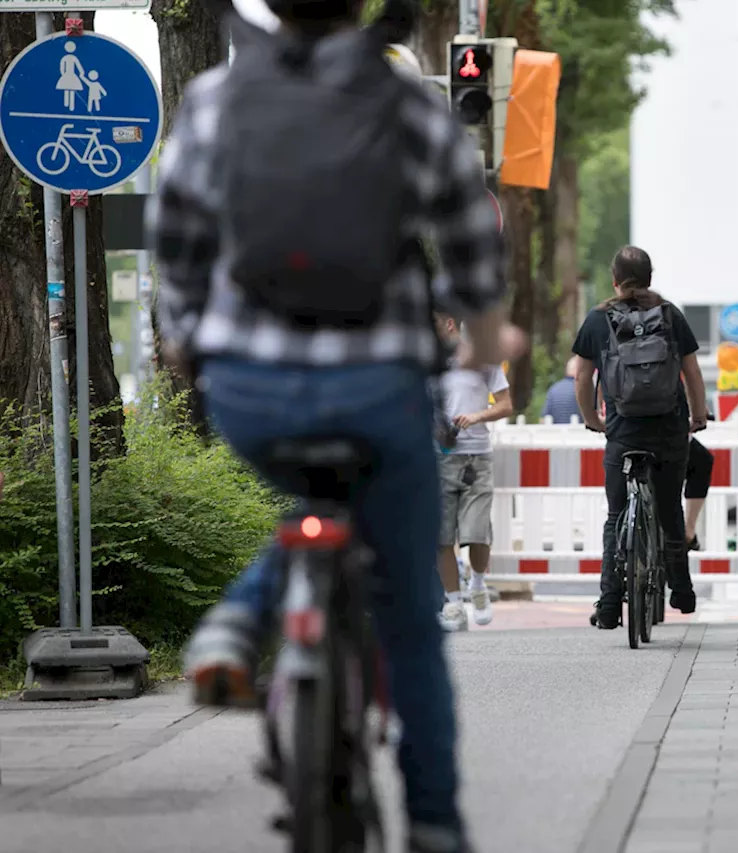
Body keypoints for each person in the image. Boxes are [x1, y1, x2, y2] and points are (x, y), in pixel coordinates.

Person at [148, 0, 517, 846]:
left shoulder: (212, 101)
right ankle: (433, 822)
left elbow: (177, 250)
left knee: (316, 503)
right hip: (377, 393)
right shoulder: (410, 106)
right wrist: (484, 345)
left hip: (252, 396)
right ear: (362, 8)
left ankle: (242, 618)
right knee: (408, 617)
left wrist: (191, 351)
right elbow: (471, 247)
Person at [571, 246, 708, 628]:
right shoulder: (669, 314)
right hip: (668, 430)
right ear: (650, 277)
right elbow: (692, 373)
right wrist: (697, 416)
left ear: (614, 279)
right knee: (669, 509)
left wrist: (593, 419)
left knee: (617, 516)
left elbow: (582, 378)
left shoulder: (599, 319)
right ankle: (681, 590)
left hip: (623, 430)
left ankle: (611, 603)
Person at [433, 312, 513, 632]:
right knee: (441, 537)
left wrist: (477, 416)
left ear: (450, 324)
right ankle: (453, 603)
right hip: (437, 457)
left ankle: (477, 585)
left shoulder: (482, 358)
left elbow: (506, 405)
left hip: (476, 459)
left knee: (476, 533)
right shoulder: (426, 362)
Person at [541, 356, 581, 424]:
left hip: (555, 433)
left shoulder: (553, 389)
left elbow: (543, 419)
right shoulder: (582, 390)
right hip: (579, 432)